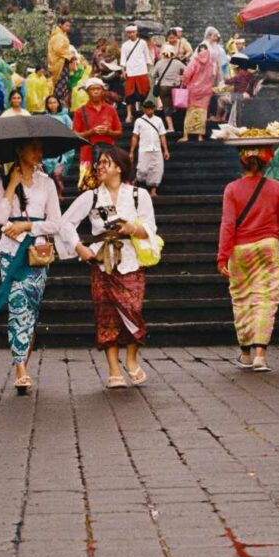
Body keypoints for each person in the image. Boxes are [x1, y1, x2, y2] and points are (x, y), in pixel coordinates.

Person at [57, 146, 159, 389]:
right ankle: (114, 369)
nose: (100, 166)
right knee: (106, 315)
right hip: (102, 262)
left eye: (106, 162)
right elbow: (65, 223)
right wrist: (79, 247)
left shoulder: (138, 195)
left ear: (119, 168)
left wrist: (132, 228)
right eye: (99, 162)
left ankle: (131, 360)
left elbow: (150, 228)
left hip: (131, 260)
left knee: (133, 309)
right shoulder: (91, 197)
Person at [0, 138, 61, 394]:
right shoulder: (0, 182)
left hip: (36, 252)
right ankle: (20, 368)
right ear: (19, 150)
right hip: (10, 251)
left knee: (31, 308)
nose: (38, 153)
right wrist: (12, 185)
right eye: (33, 148)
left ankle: (23, 363)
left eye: (40, 148)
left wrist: (27, 225)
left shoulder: (47, 183)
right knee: (17, 306)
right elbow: (0, 217)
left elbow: (55, 223)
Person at [217, 146, 279, 372]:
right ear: (265, 162)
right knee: (265, 298)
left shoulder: (232, 189)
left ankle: (245, 354)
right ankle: (260, 355)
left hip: (240, 249)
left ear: (241, 162)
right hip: (268, 246)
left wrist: (222, 256)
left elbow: (228, 224)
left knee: (242, 299)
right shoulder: (275, 187)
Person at [71, 77, 123, 189]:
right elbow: (74, 134)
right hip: (87, 156)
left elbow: (119, 132)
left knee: (109, 188)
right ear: (87, 92)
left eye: (98, 89)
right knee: (88, 189)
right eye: (92, 89)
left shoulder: (110, 109)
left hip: (108, 155)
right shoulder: (80, 111)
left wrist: (108, 132)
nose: (95, 91)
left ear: (103, 91)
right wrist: (91, 132)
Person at [130, 100, 170, 197]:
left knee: (157, 170)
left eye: (151, 109)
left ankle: (153, 190)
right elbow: (135, 136)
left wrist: (165, 150)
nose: (150, 111)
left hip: (156, 149)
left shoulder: (158, 120)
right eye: (148, 109)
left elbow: (162, 135)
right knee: (142, 169)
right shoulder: (139, 121)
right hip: (144, 148)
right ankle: (137, 180)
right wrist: (131, 151)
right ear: (144, 109)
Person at [179, 43, 215, 142]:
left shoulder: (194, 61)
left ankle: (186, 136)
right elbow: (213, 75)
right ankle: (200, 136)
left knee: (190, 112)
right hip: (206, 91)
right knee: (202, 113)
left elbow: (186, 74)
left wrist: (185, 83)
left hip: (193, 90)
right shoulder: (210, 63)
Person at [42, 94, 75, 196]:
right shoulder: (45, 118)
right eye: (50, 103)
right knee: (51, 174)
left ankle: (60, 190)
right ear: (47, 105)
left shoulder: (65, 117)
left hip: (63, 149)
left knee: (58, 173)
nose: (52, 105)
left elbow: (71, 130)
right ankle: (56, 194)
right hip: (49, 148)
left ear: (58, 103)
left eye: (54, 102)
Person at [120, 24, 152, 124]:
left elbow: (147, 55)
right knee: (129, 94)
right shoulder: (125, 45)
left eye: (133, 32)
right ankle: (129, 114)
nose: (131, 34)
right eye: (129, 33)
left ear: (136, 32)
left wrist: (148, 67)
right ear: (127, 34)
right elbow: (123, 58)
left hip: (142, 70)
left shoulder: (142, 43)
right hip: (130, 71)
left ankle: (143, 111)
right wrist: (123, 70)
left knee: (144, 91)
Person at [152, 45, 186, 133]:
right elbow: (187, 71)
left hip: (164, 87)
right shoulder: (178, 63)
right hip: (176, 87)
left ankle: (171, 127)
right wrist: (179, 76)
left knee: (167, 107)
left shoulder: (159, 63)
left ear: (163, 53)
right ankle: (181, 127)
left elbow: (153, 75)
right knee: (178, 106)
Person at [47, 18, 72, 105]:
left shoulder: (62, 35)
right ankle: (57, 104)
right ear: (60, 25)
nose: (68, 28)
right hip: (59, 64)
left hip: (63, 63)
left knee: (63, 86)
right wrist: (70, 55)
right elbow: (58, 50)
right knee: (59, 86)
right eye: (66, 25)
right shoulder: (59, 36)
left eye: (69, 26)